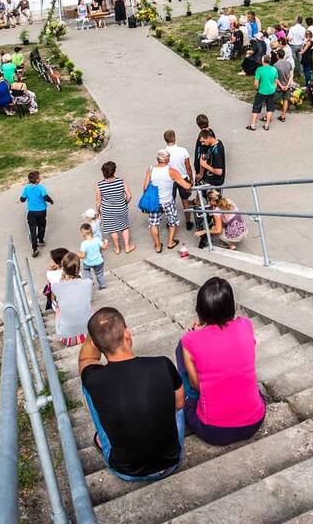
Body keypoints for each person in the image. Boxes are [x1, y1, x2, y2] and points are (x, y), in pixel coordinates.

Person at [79, 308, 185, 481]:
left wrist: (96, 337)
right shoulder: (162, 364)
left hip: (126, 472)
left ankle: (106, 437)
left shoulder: (93, 378)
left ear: (96, 345)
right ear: (127, 334)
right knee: (177, 399)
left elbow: (85, 360)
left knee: (88, 387)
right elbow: (179, 405)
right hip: (171, 462)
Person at [176, 278, 265, 445]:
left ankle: (195, 402)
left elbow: (197, 385)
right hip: (254, 421)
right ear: (231, 306)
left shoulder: (190, 340)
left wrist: (196, 335)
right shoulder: (246, 324)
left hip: (214, 431)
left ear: (200, 310)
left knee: (181, 349)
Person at [142, 150, 192, 252]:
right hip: (168, 201)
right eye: (168, 157)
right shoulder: (171, 171)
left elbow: (145, 187)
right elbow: (186, 185)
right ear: (166, 159)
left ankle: (157, 246)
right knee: (172, 221)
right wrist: (190, 184)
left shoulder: (151, 169)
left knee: (153, 224)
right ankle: (170, 242)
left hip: (155, 202)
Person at [52, 252, 93, 346]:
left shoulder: (56, 286)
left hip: (67, 338)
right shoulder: (88, 283)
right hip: (89, 334)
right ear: (78, 269)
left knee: (58, 309)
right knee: (88, 305)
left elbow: (54, 302)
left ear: (63, 269)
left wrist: (61, 280)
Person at [96, 161, 134, 255]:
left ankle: (117, 249)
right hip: (121, 208)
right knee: (124, 227)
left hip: (107, 211)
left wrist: (98, 211)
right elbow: (129, 195)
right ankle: (127, 247)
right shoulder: (121, 181)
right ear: (114, 171)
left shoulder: (99, 185)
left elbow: (98, 201)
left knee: (113, 229)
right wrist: (125, 203)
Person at [162, 131, 195, 231]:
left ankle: (170, 222)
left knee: (170, 201)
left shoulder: (163, 152)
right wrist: (191, 178)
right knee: (185, 201)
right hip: (182, 178)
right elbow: (188, 166)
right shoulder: (183, 150)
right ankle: (188, 222)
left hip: (170, 179)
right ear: (175, 138)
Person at [21, 170, 53, 257]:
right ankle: (41, 240)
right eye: (39, 177)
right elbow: (45, 197)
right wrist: (51, 201)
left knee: (32, 229)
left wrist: (27, 197)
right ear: (37, 180)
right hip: (42, 210)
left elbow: (22, 199)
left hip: (31, 212)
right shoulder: (41, 188)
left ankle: (34, 248)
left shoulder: (26, 188)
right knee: (42, 225)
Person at [247, 54, 278, 132]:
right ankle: (266, 125)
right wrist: (274, 88)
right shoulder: (274, 69)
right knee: (270, 108)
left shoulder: (259, 70)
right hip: (271, 91)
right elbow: (276, 81)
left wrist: (257, 88)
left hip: (261, 91)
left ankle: (253, 125)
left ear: (263, 61)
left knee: (256, 108)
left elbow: (256, 83)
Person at [80, 222, 108, 290]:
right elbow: (104, 247)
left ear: (83, 234)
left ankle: (89, 281)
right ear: (91, 231)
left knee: (85, 269)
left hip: (88, 263)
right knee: (99, 275)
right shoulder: (97, 239)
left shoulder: (83, 244)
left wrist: (77, 255)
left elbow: (83, 256)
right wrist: (106, 242)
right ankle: (102, 286)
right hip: (98, 262)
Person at [273, 47, 294, 123]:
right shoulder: (288, 63)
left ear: (278, 56)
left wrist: (281, 86)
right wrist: (287, 85)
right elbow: (291, 75)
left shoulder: (275, 65)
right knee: (286, 100)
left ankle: (268, 116)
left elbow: (275, 78)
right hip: (287, 86)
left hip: (279, 87)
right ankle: (283, 116)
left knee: (272, 101)